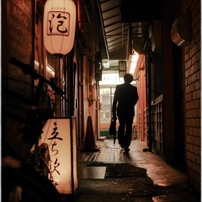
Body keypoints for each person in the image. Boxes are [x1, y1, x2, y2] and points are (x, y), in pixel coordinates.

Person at [112, 73, 138, 152]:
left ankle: (122, 142)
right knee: (129, 126)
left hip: (121, 109)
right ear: (131, 80)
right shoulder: (133, 88)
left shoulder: (119, 87)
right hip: (129, 110)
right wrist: (131, 105)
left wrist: (114, 110)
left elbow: (115, 99)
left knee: (121, 125)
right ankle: (127, 144)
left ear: (124, 79)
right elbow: (136, 98)